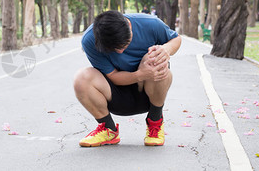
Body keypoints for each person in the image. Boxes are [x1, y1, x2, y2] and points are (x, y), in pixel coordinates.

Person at [74, 10, 181, 147]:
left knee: (155, 59)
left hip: (148, 93)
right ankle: (108, 129)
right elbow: (112, 76)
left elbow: (176, 39)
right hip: (116, 96)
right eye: (114, 48)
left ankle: (155, 122)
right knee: (81, 78)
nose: (120, 52)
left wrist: (166, 49)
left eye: (124, 45)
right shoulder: (90, 40)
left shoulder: (151, 24)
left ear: (130, 27)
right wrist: (140, 74)